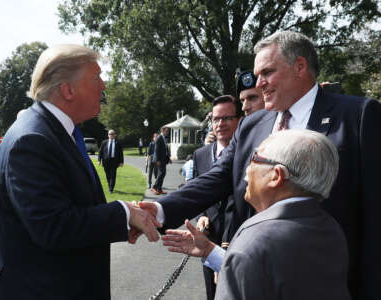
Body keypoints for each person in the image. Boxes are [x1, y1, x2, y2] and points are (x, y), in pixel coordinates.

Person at [137, 30, 381, 299]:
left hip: (328, 282)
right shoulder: (253, 125)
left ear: (300, 66)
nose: (259, 83)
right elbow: (220, 176)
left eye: (267, 72)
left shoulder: (358, 116)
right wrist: (160, 209)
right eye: (258, 75)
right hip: (255, 275)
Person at [0, 44, 160, 300]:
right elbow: (53, 226)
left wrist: (123, 217)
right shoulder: (32, 139)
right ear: (68, 90)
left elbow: (72, 205)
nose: (104, 86)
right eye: (96, 76)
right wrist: (121, 212)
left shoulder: (54, 131)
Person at [163, 129, 350, 300]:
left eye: (254, 158)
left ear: (276, 176)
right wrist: (211, 252)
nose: (245, 168)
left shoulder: (254, 240)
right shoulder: (330, 228)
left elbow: (255, 260)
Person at [192, 95, 242, 300]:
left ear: (239, 120)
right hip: (209, 237)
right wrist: (201, 216)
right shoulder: (201, 154)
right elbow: (195, 192)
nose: (220, 124)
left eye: (227, 118)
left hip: (238, 240)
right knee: (211, 294)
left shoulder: (248, 152)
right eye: (216, 119)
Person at [98, 129, 124, 193]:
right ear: (108, 135)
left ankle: (111, 189)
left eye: (112, 134)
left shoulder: (118, 143)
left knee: (113, 175)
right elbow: (100, 152)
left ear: (115, 135)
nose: (111, 135)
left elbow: (121, 153)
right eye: (110, 134)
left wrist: (121, 162)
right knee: (107, 175)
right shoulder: (104, 142)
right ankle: (109, 185)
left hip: (114, 161)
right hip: (106, 161)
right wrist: (99, 160)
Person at [151, 126, 172, 195]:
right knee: (161, 173)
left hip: (163, 159)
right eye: (166, 131)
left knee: (163, 173)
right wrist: (158, 160)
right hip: (159, 160)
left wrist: (169, 158)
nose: (167, 132)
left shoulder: (164, 138)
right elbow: (156, 150)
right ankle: (154, 187)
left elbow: (166, 149)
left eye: (168, 131)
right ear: (162, 131)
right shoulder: (159, 138)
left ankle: (159, 189)